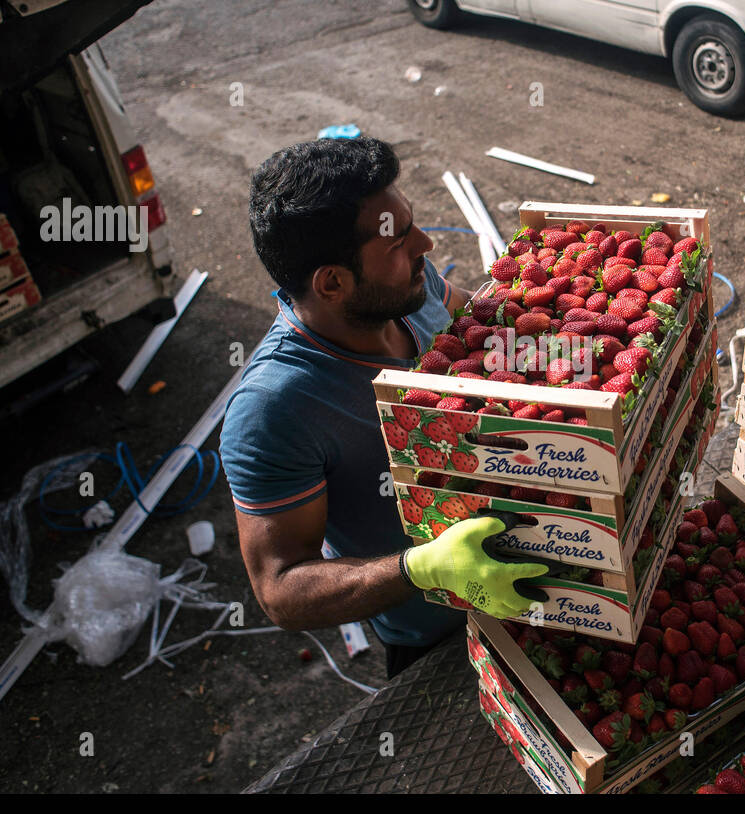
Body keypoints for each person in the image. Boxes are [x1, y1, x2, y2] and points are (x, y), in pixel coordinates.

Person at [220, 137, 547, 679]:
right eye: (398, 241)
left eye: (411, 223)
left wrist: (577, 345)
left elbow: (491, 331)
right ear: (332, 282)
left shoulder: (414, 290)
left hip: (554, 574)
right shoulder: (274, 408)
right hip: (446, 643)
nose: (427, 245)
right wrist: (421, 569)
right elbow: (280, 590)